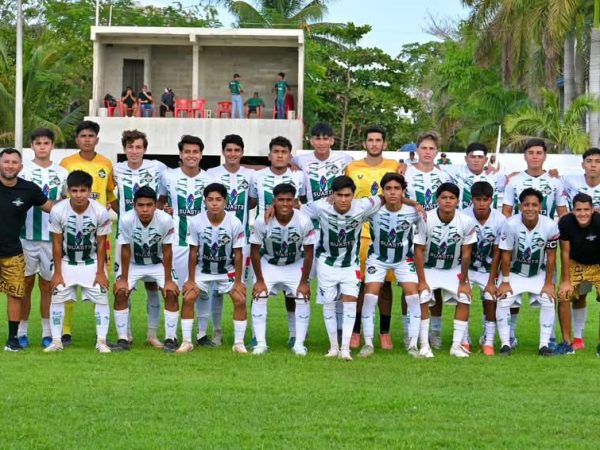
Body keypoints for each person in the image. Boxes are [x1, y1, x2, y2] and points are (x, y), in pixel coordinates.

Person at [301, 175, 383, 361]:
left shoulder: (363, 205)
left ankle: (345, 349)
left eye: (347, 195)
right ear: (333, 195)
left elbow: (385, 197)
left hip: (350, 264)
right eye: (339, 195)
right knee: (329, 303)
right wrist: (272, 208)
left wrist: (413, 203)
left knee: (350, 302)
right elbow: (297, 210)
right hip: (326, 263)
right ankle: (333, 347)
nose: (344, 199)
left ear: (353, 195)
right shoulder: (320, 206)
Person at [501, 138, 567, 349]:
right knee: (511, 294)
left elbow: (562, 212)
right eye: (531, 152)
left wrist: (559, 237)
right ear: (525, 156)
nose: (535, 156)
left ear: (545, 156)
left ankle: (550, 339)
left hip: (545, 240)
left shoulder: (555, 181)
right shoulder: (514, 181)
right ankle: (510, 336)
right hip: (519, 241)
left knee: (549, 290)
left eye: (539, 152)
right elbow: (506, 211)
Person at [60, 120, 117, 345]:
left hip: (99, 232)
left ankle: (100, 334)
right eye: (83, 136)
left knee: (100, 280)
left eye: (91, 136)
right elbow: (61, 195)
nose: (87, 139)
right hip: (70, 231)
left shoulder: (106, 164)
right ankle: (65, 331)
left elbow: (110, 195)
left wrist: (126, 217)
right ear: (77, 139)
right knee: (67, 282)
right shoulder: (66, 163)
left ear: (97, 139)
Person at [44, 170, 112, 353]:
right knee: (57, 296)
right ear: (68, 191)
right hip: (66, 262)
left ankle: (101, 341)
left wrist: (100, 272)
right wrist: (57, 273)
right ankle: (56, 341)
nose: (78, 195)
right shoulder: (58, 210)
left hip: (91, 263)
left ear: (89, 191)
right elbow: (56, 243)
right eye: (74, 191)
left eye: (83, 190)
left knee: (102, 297)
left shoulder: (100, 211)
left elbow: (101, 244)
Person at [345, 126, 401, 350]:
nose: (374, 144)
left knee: (385, 285)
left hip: (386, 232)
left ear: (384, 144)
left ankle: (384, 332)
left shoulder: (394, 166)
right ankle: (356, 331)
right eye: (371, 140)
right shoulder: (352, 167)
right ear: (364, 144)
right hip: (360, 233)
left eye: (379, 140)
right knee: (360, 284)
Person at [112, 129, 168, 348]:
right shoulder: (116, 169)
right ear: (124, 149)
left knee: (153, 285)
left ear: (145, 149)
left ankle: (152, 335)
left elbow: (165, 193)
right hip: (125, 236)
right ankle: (125, 335)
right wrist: (122, 214)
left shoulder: (157, 168)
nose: (134, 151)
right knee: (123, 287)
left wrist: (158, 210)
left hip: (152, 236)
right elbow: (110, 196)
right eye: (130, 147)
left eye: (138, 147)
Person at [159, 135, 214, 346]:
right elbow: (160, 202)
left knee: (202, 291)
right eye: (187, 152)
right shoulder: (168, 177)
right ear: (180, 155)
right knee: (172, 290)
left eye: (195, 152)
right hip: (176, 243)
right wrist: (164, 212)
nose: (191, 155)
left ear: (201, 155)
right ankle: (170, 337)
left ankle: (201, 335)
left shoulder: (210, 179)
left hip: (203, 245)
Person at [361, 173, 424, 358]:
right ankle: (368, 344)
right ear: (383, 191)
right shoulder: (373, 210)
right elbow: (353, 211)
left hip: (404, 260)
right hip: (377, 258)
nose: (392, 192)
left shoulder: (413, 212)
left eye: (397, 188)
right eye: (388, 188)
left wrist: (415, 204)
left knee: (413, 296)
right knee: (370, 295)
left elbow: (423, 233)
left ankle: (413, 345)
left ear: (403, 191)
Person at [249, 136, 304, 346]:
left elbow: (302, 203)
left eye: (284, 152)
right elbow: (251, 202)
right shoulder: (257, 177)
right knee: (258, 289)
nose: (280, 156)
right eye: (276, 152)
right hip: (264, 240)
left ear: (290, 156)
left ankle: (294, 334)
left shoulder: (299, 176)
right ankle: (256, 335)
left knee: (292, 292)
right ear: (269, 155)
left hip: (292, 239)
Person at [179, 183, 247, 353]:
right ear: (205, 202)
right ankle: (187, 342)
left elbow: (238, 254)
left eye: (218, 199)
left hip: (227, 270)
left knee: (239, 298)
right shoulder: (196, 221)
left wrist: (239, 282)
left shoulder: (235, 222)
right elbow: (193, 252)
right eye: (210, 200)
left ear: (225, 201)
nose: (214, 203)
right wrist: (191, 280)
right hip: (203, 269)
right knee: (188, 297)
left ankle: (239, 343)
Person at [250, 183, 315, 355]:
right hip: (269, 263)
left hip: (294, 263)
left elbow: (309, 253)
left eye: (288, 200)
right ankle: (260, 343)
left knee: (302, 296)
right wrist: (260, 280)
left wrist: (304, 282)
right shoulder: (262, 220)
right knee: (259, 295)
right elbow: (254, 251)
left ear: (294, 201)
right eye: (281, 200)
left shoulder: (304, 221)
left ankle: (299, 343)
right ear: (274, 201)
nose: (285, 204)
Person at [413, 182, 477, 358]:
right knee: (423, 295)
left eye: (452, 198)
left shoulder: (467, 221)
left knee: (465, 296)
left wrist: (464, 281)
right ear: (437, 200)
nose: (448, 201)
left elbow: (466, 254)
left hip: (452, 268)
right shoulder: (425, 219)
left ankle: (456, 346)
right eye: (444, 198)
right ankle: (424, 345)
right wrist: (422, 281)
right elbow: (418, 250)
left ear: (457, 201)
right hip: (429, 267)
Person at [113, 187, 180, 353]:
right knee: (121, 292)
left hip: (157, 263)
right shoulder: (126, 219)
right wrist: (123, 279)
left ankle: (170, 339)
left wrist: (168, 280)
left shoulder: (165, 219)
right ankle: (123, 339)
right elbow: (125, 249)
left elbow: (167, 250)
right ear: (134, 205)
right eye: (141, 205)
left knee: (171, 292)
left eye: (149, 205)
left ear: (155, 205)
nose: (145, 209)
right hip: (133, 263)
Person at [18, 128, 68, 348]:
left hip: (51, 239)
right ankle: (21, 332)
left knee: (48, 286)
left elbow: (66, 202)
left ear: (52, 146)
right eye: (38, 143)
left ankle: (48, 334)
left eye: (46, 143)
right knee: (25, 285)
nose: (42, 147)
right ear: (32, 146)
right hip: (25, 237)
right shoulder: (23, 172)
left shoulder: (63, 173)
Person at [0, 148, 53, 351]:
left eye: (14, 162)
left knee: (15, 294)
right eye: (6, 161)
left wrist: (80, 204)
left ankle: (13, 339)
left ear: (20, 167)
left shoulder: (28, 189)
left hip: (13, 252)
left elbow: (51, 207)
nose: (10, 166)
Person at [495, 188, 559, 356]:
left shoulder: (550, 225)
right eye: (526, 205)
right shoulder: (510, 224)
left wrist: (548, 283)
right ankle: (505, 344)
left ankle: (544, 345)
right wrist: (505, 281)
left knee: (548, 300)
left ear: (540, 206)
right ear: (520, 206)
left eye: (534, 205)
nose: (530, 208)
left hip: (538, 273)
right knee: (503, 299)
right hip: (514, 273)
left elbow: (551, 256)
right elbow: (505, 254)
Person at [206, 134, 257, 346]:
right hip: (215, 242)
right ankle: (217, 332)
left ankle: (245, 335)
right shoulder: (212, 174)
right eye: (229, 150)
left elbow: (253, 201)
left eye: (237, 150)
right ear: (223, 152)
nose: (233, 154)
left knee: (241, 288)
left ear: (242, 152)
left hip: (242, 243)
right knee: (215, 289)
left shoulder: (251, 175)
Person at [403, 131, 450, 349]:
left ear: (437, 151)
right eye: (424, 148)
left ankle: (436, 332)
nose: (428, 152)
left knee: (435, 285)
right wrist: (414, 204)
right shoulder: (405, 172)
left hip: (436, 237)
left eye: (431, 148)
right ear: (417, 150)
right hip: (409, 233)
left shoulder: (444, 176)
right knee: (410, 286)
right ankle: (409, 332)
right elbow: (397, 195)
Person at [558, 148, 600, 348]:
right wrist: (565, 280)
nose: (593, 165)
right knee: (570, 295)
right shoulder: (569, 182)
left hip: (598, 261)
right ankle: (574, 340)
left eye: (597, 161)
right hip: (577, 259)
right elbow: (564, 252)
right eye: (589, 161)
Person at [464, 181, 505, 356]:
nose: (481, 203)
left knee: (490, 297)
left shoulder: (500, 220)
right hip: (466, 268)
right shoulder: (463, 216)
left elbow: (498, 252)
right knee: (463, 298)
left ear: (491, 200)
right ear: (472, 199)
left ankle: (488, 341)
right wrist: (463, 280)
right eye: (478, 199)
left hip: (489, 269)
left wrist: (491, 281)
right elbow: (463, 251)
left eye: (485, 199)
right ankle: (464, 339)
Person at [441, 143, 506, 210]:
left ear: (486, 160)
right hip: (462, 216)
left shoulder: (496, 175)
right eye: (473, 157)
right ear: (466, 159)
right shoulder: (456, 171)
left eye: (480, 157)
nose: (476, 160)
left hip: (490, 216)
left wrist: (512, 174)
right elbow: (436, 167)